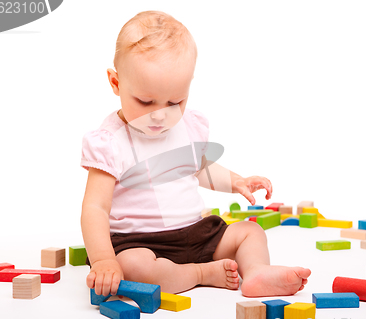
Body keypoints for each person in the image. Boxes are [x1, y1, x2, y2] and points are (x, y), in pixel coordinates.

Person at [80, 10, 311, 298]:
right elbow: (95, 208)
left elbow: (200, 168)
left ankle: (256, 272)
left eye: (175, 101)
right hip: (138, 242)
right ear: (116, 83)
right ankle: (201, 273)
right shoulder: (111, 141)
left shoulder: (186, 127)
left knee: (250, 233)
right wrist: (104, 259)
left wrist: (236, 181)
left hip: (195, 232)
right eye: (145, 101)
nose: (160, 116)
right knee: (133, 267)